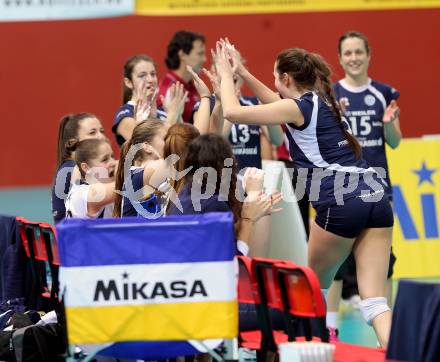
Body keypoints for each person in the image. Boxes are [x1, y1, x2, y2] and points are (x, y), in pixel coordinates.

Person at [214, 39, 394, 348]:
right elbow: (274, 101)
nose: (274, 84)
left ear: (286, 79)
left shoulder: (300, 106)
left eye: (275, 77)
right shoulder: (323, 100)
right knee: (375, 300)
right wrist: (242, 70)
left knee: (311, 290)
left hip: (341, 197)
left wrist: (224, 75)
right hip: (375, 193)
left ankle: (313, 351)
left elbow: (231, 112)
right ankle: (400, 354)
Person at [326, 31, 401, 340]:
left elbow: (394, 142)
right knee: (336, 262)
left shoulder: (384, 93)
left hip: (378, 189)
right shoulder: (330, 95)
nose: (354, 57)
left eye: (359, 52)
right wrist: (334, 118)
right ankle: (330, 327)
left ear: (369, 55)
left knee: (386, 260)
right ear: (340, 58)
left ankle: (392, 330)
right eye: (348, 53)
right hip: (342, 189)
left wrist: (387, 123)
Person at [112, 54, 187, 147]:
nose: (150, 79)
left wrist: (178, 116)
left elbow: (185, 143)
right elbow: (151, 146)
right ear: (129, 82)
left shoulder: (163, 111)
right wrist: (172, 115)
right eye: (142, 75)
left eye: (153, 74)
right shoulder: (125, 114)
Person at [51, 113, 106, 223]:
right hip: (76, 237)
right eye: (92, 132)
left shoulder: (68, 167)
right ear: (72, 142)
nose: (101, 136)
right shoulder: (75, 169)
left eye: (101, 131)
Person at [158, 30, 207, 123]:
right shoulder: (168, 90)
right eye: (200, 53)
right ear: (182, 55)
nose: (204, 59)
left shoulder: (192, 86)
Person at [65, 138, 116, 219]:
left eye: (112, 156)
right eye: (105, 159)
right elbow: (124, 186)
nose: (113, 162)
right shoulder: (83, 193)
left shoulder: (104, 187)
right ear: (86, 167)